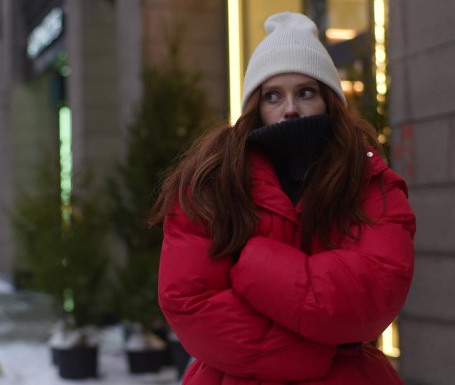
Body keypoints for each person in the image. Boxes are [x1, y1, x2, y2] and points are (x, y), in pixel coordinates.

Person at [149, 11, 416, 385]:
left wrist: (254, 265)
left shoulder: (371, 182)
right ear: (255, 107)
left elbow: (374, 294)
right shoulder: (211, 183)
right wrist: (312, 351)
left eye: (305, 92)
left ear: (329, 101)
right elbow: (190, 303)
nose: (290, 109)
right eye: (273, 95)